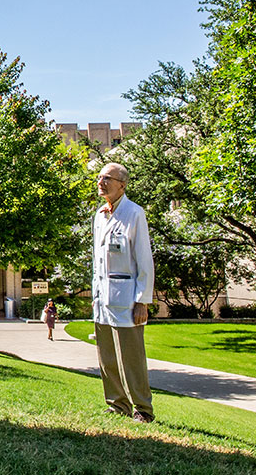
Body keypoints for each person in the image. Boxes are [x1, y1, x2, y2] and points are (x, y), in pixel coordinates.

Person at [91, 162, 155, 423]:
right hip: (102, 298)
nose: (101, 181)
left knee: (131, 357)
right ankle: (117, 404)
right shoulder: (99, 215)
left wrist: (142, 300)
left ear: (122, 184)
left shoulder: (134, 213)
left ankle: (142, 408)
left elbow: (144, 260)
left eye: (108, 178)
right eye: (99, 177)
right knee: (106, 356)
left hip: (127, 298)